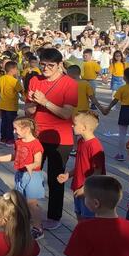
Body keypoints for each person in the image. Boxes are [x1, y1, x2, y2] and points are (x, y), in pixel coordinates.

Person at [26, 48, 77, 229]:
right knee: (31, 174)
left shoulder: (70, 84)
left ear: (59, 65)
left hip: (60, 138)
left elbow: (65, 114)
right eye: (43, 64)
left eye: (50, 65)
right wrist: (32, 103)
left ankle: (54, 216)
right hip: (37, 135)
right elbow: (29, 111)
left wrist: (45, 101)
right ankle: (32, 213)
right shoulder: (34, 80)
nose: (45, 68)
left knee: (55, 178)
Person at [0, 117, 46, 239]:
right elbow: (14, 156)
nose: (14, 132)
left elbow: (38, 162)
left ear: (26, 129)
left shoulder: (36, 144)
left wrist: (30, 166)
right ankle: (23, 223)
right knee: (20, 200)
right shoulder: (19, 142)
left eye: (16, 129)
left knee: (32, 203)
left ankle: (38, 227)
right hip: (20, 174)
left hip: (33, 176)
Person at [57, 112, 106, 222]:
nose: (72, 126)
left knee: (89, 219)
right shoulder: (81, 142)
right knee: (79, 214)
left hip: (90, 191)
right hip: (78, 187)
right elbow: (80, 165)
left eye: (75, 124)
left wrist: (84, 189)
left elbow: (97, 172)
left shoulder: (94, 146)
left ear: (84, 127)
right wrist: (68, 175)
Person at [101, 67, 129, 160]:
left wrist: (108, 108)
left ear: (126, 78)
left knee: (122, 134)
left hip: (125, 111)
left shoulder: (122, 88)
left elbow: (115, 100)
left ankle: (120, 154)